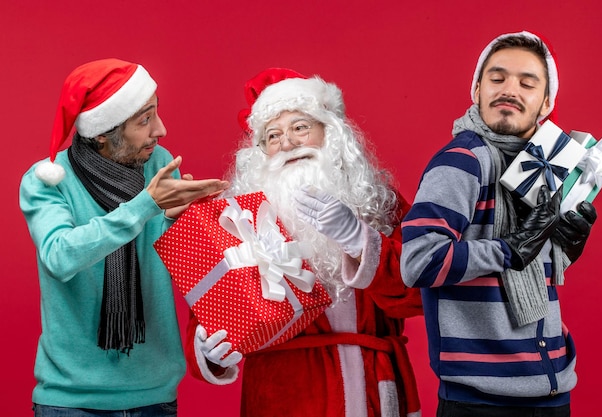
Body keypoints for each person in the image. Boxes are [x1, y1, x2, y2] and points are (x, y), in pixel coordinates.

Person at [186, 68, 424, 417]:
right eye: (273, 135)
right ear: (260, 151)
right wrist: (207, 350)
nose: (287, 144)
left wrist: (360, 239)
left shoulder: (379, 202)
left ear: (332, 133)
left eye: (300, 128)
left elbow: (419, 294)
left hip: (373, 388)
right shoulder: (238, 221)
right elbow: (209, 316)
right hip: (284, 394)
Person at [20, 58, 234, 416]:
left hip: (155, 395)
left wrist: (191, 222)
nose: (161, 130)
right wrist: (146, 205)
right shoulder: (48, 180)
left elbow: (173, 263)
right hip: (72, 401)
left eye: (156, 113)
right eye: (145, 119)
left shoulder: (158, 163)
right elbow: (59, 256)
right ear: (103, 132)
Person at [400, 31, 597, 417]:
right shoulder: (462, 160)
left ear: (546, 102)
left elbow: (526, 274)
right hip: (481, 401)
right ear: (476, 89)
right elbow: (418, 262)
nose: (510, 89)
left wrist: (565, 251)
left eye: (527, 83)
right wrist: (510, 248)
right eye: (497, 78)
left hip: (552, 388)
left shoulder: (543, 165)